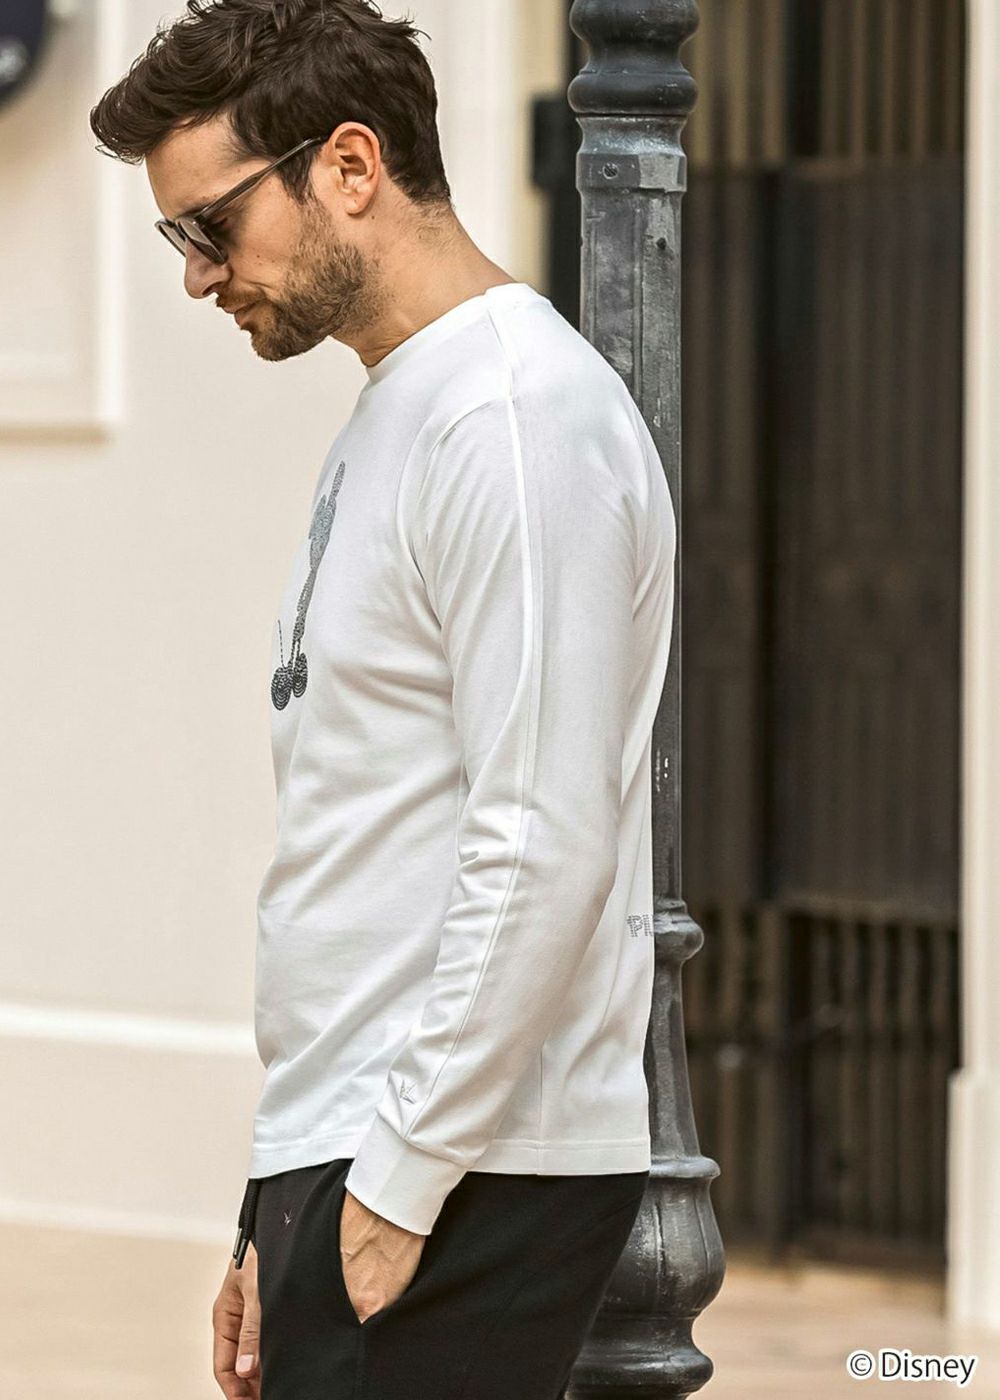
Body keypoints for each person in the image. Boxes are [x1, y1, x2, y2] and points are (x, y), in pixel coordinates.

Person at [90, 3, 676, 1397]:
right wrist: (278, 1196)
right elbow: (360, 845)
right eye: (178, 238)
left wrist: (399, 1180)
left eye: (211, 225)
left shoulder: (513, 420)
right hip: (369, 1147)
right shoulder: (406, 408)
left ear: (349, 166)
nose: (198, 275)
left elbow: (542, 840)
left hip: (466, 1170)